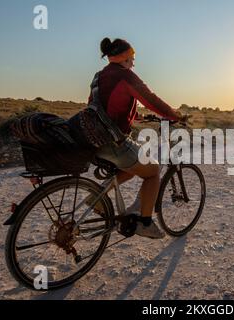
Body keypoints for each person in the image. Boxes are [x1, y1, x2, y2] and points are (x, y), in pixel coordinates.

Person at [90, 37, 186, 239]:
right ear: (123, 58)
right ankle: (145, 222)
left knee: (130, 169)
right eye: (132, 58)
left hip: (94, 140)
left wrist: (136, 116)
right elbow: (150, 99)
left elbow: (100, 107)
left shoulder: (99, 77)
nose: (133, 63)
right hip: (114, 142)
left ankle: (96, 197)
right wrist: (175, 115)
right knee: (152, 171)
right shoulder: (126, 76)